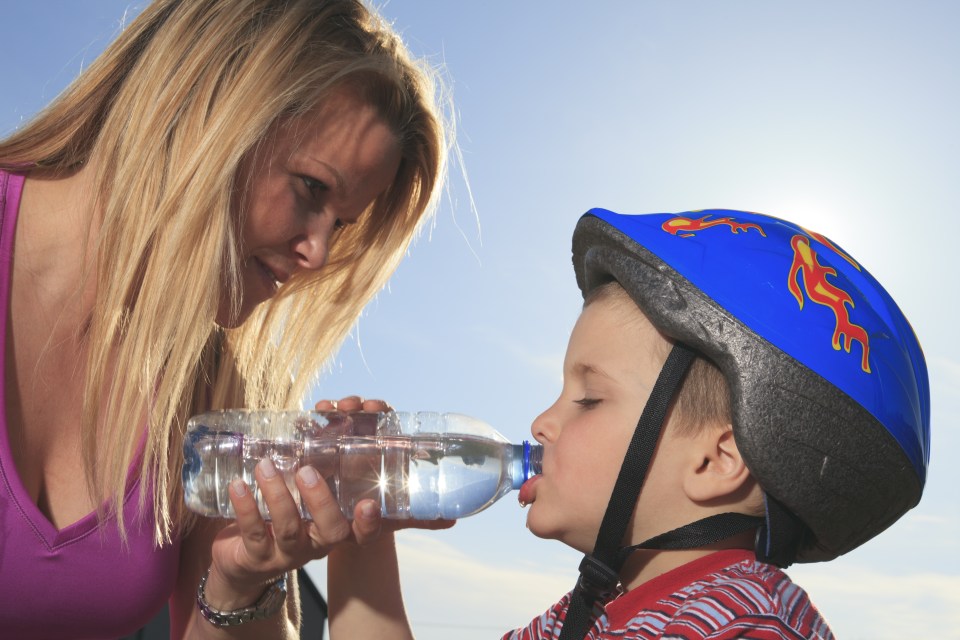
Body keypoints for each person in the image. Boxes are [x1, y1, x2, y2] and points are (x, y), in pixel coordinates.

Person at [0, 1, 454, 637]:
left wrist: (240, 582)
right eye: (311, 188)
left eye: (342, 223)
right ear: (202, 107)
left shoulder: (214, 395)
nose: (318, 253)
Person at [325, 208, 931, 639]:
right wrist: (360, 532)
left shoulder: (742, 625)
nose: (540, 422)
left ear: (715, 461)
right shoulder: (587, 614)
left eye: (587, 399)